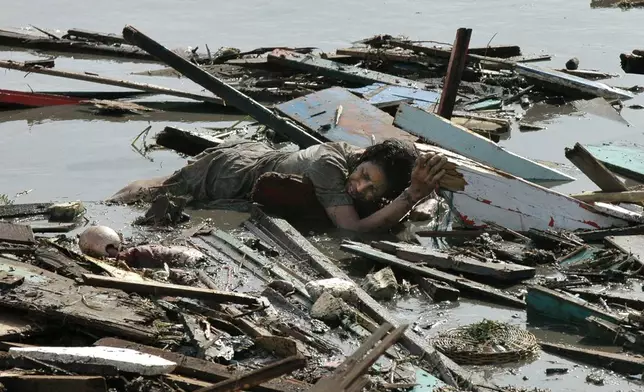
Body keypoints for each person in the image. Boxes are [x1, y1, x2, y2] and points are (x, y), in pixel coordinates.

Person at [108, 138, 448, 232]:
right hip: (233, 172)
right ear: (361, 160)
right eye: (363, 176)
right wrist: (412, 196)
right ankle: (106, 206)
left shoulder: (363, 167)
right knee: (163, 189)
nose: (359, 188)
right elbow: (352, 230)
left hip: (260, 157)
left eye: (372, 190)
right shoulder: (330, 164)